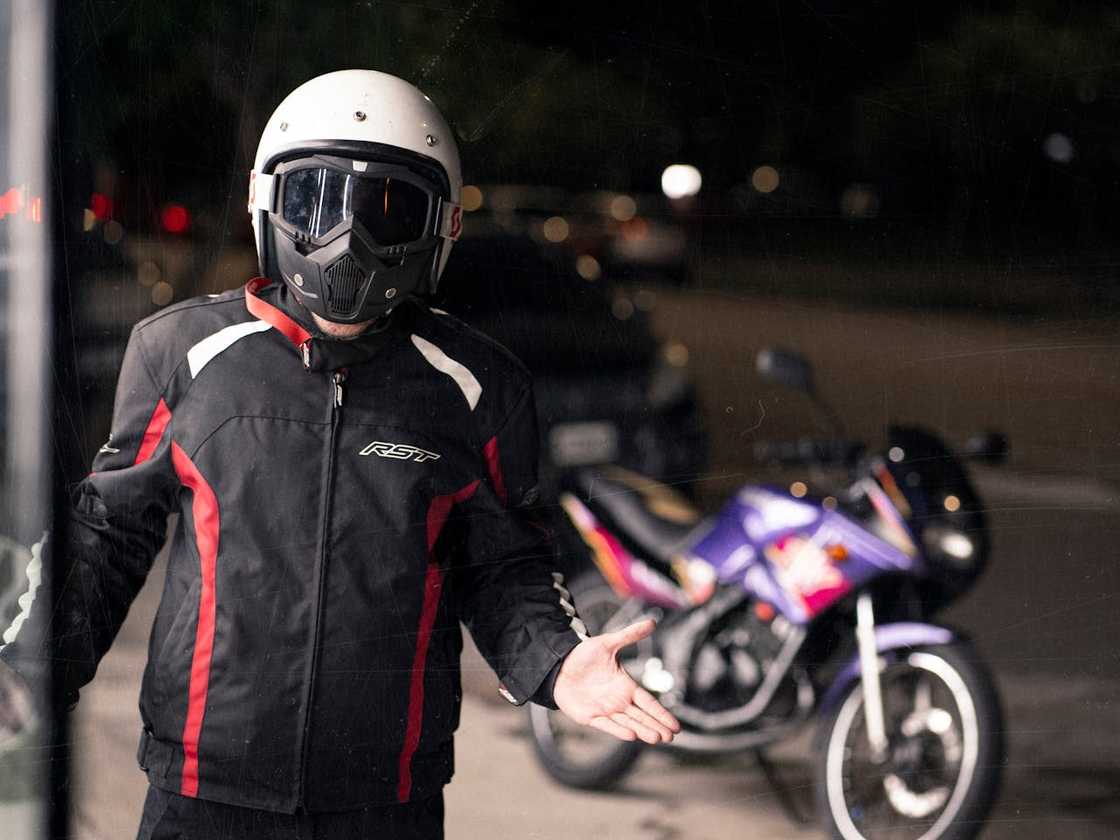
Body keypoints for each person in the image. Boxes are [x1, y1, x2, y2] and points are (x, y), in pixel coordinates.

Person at [0, 69, 679, 839]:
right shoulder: (182, 354)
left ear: (441, 228)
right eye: (314, 201)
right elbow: (108, 536)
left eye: (388, 210)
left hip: (386, 799)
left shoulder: (474, 387)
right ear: (268, 202)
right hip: (203, 787)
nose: (344, 240)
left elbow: (504, 567)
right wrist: (27, 664)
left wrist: (557, 664)